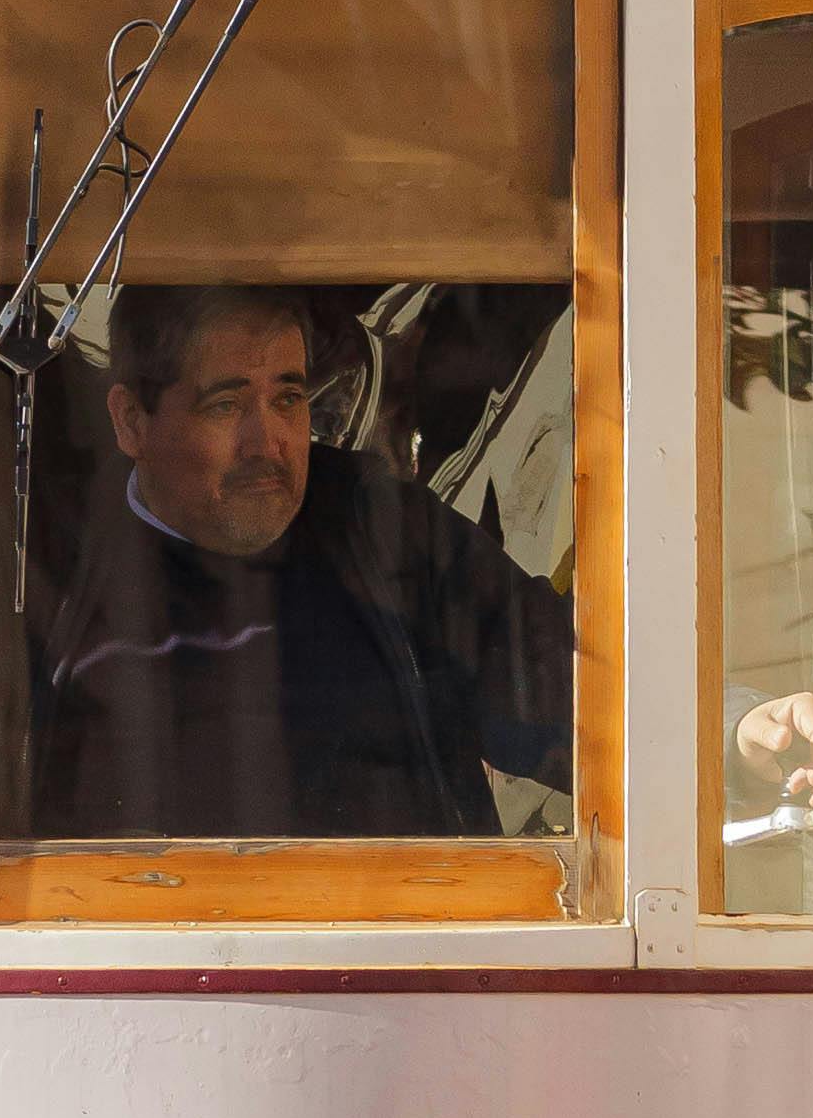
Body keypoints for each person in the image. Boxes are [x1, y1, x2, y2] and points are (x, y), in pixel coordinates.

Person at [31, 283, 588, 838]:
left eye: (287, 400)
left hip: (427, 918)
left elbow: (574, 707)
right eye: (225, 404)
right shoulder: (55, 584)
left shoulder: (377, 528)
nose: (266, 443)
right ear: (131, 420)